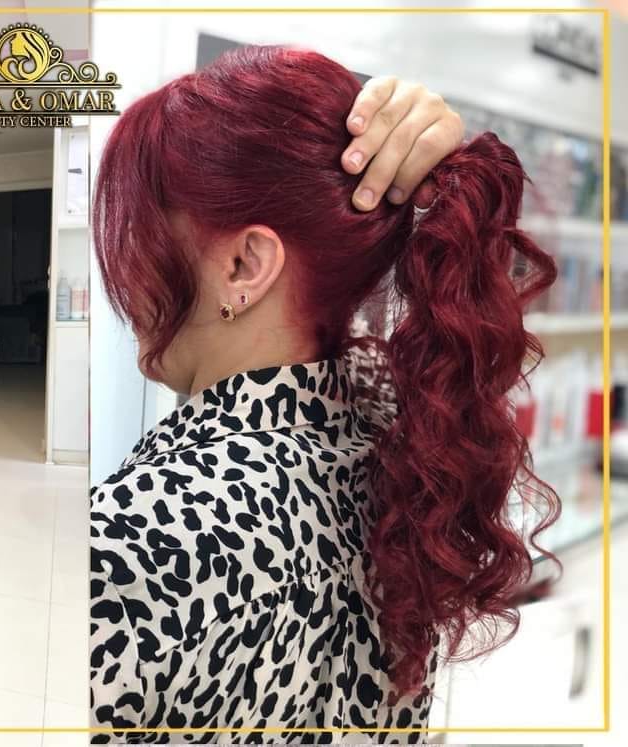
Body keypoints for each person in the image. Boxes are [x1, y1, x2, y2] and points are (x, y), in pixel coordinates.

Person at [88, 45, 558, 743]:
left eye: (141, 234)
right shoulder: (404, 446)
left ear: (245, 265)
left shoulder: (134, 539)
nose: (124, 273)